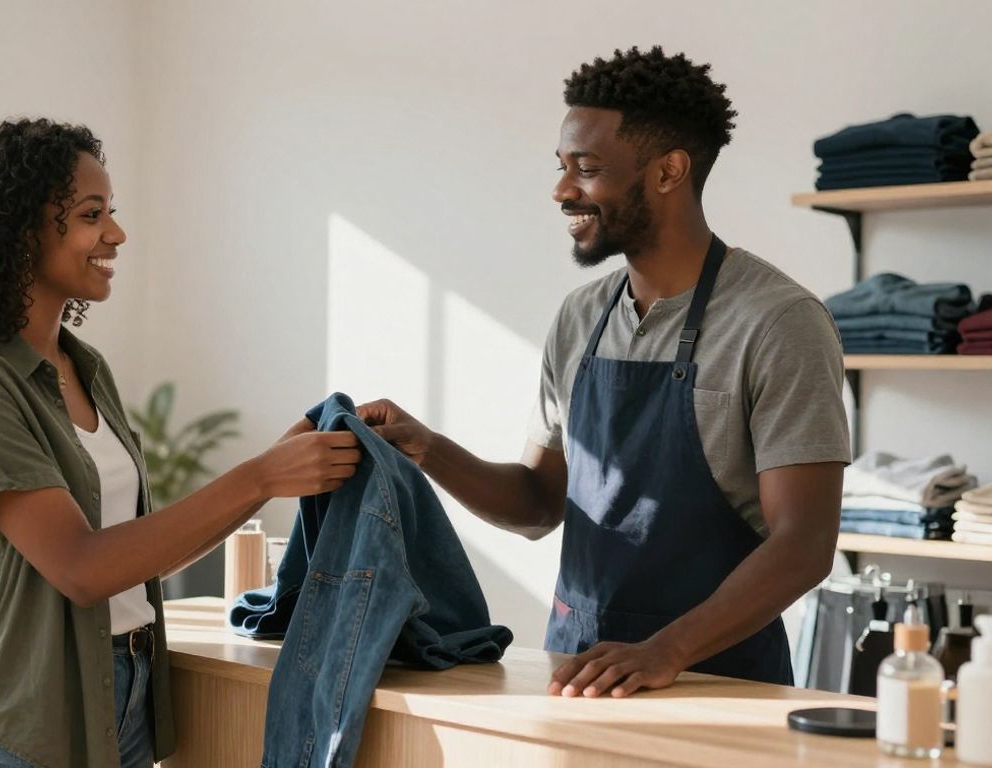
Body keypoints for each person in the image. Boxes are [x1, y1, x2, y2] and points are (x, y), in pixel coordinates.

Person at [359, 47, 849, 698]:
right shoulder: (581, 316)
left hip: (719, 685)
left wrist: (664, 652)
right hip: (577, 675)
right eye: (562, 168)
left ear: (670, 171)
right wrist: (426, 448)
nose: (562, 190)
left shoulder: (778, 322)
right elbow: (538, 501)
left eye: (585, 170)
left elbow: (804, 545)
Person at [0, 118, 361, 768]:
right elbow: (83, 569)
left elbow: (132, 555)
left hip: (124, 695)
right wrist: (260, 478)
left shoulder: (84, 369)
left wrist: (276, 471)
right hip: (16, 724)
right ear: (20, 228)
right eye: (93, 215)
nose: (115, 234)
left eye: (110, 213)